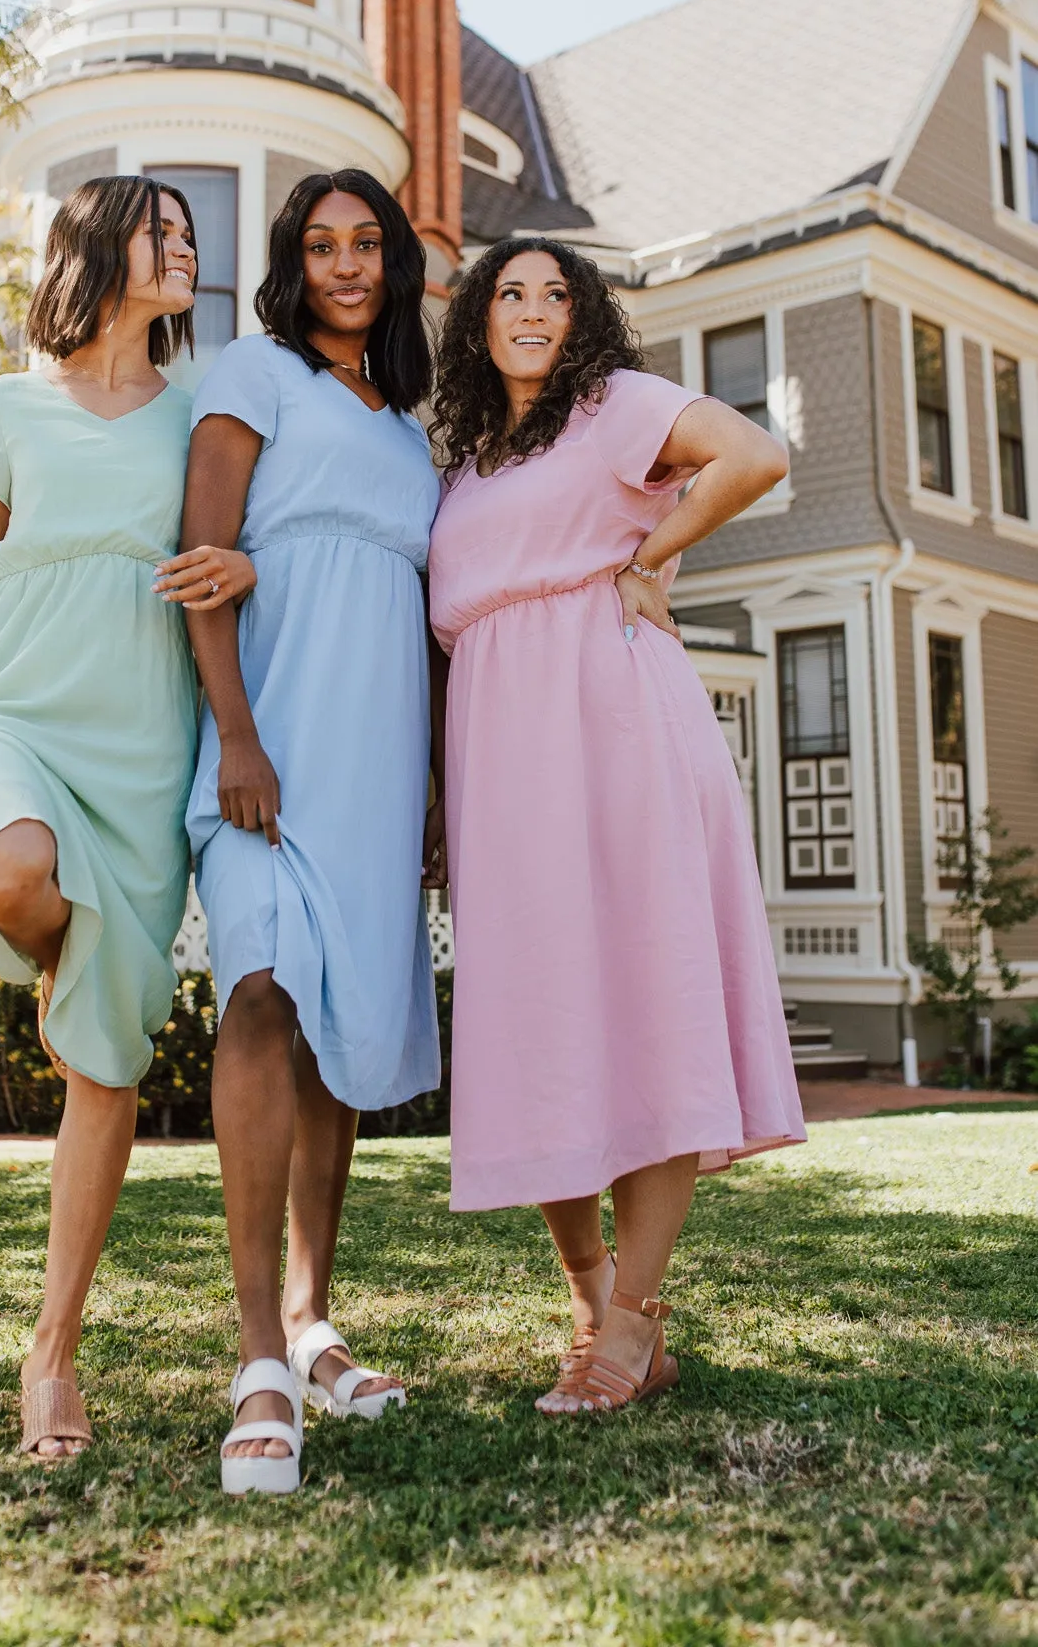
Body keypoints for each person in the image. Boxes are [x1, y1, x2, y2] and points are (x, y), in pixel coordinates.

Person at [0, 176, 254, 1459]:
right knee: (12, 872)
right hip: (15, 715)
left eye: (188, 237)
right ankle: (63, 962)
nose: (184, 249)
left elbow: (243, 547)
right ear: (101, 247)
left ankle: (53, 1355)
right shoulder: (5, 404)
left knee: (105, 1066)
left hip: (144, 748)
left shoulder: (202, 409)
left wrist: (246, 563)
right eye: (162, 231)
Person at [428, 236, 806, 1419]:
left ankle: (634, 1324)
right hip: (503, 764)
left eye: (555, 293)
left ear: (581, 315)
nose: (532, 310)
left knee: (644, 1014)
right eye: (509, 294)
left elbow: (754, 452)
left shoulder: (614, 404)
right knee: (540, 1024)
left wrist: (653, 552)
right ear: (479, 320)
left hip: (618, 728)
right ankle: (596, 1303)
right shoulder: (466, 462)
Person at [182, 168, 443, 1495]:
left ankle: (314, 1318)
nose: (345, 263)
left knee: (337, 1039)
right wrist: (235, 736)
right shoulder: (256, 369)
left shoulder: (407, 422)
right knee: (264, 990)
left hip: (378, 759)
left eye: (367, 244)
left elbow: (421, 603)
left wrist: (441, 793)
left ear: (394, 263)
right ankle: (255, 1359)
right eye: (320, 243)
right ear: (295, 259)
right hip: (268, 748)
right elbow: (200, 560)